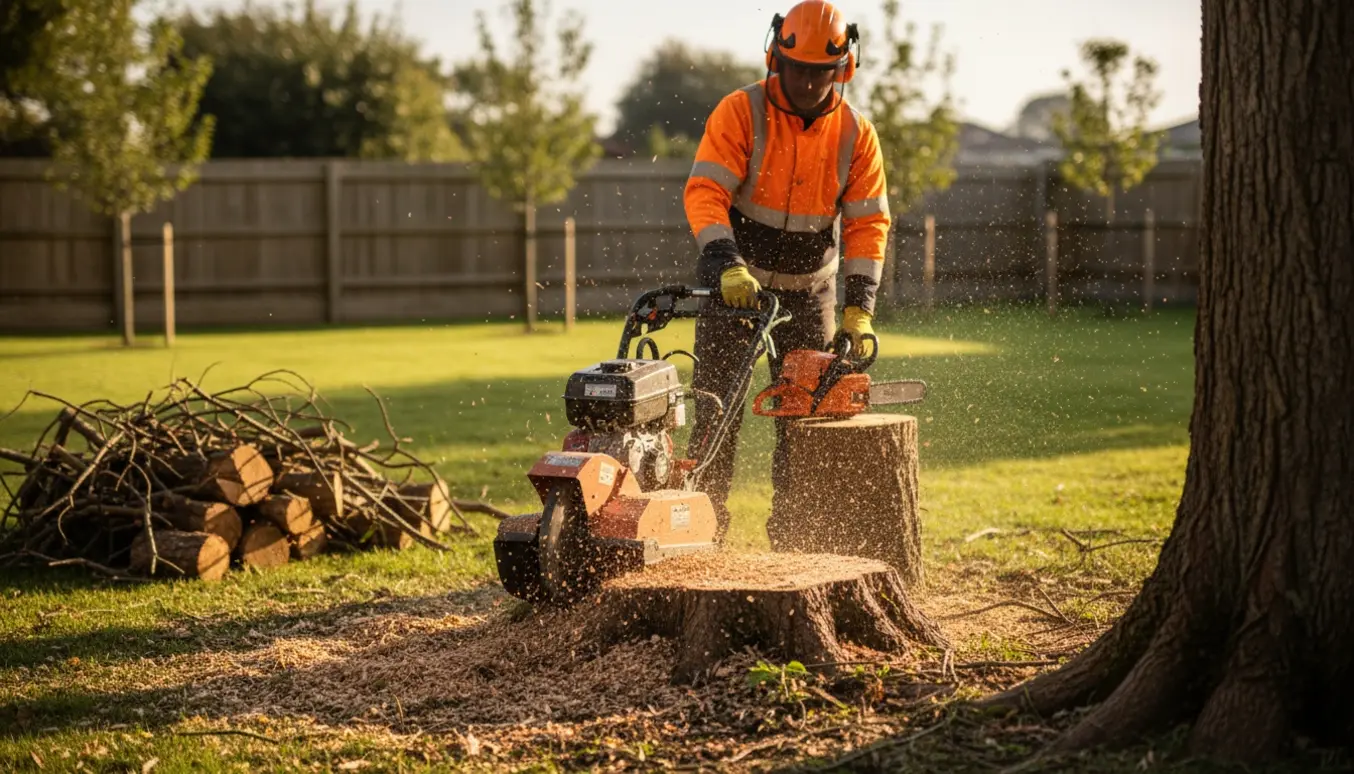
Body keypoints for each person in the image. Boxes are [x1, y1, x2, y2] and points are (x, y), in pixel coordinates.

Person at [683, 0, 891, 541]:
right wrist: (726, 264)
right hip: (735, 290)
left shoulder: (857, 135)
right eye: (797, 69)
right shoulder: (740, 111)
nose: (807, 82)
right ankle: (703, 532)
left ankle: (798, 537)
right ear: (777, 58)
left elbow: (868, 226)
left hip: (809, 296)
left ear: (842, 68)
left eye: (820, 72)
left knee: (806, 422)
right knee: (714, 414)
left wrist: (858, 311)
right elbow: (706, 192)